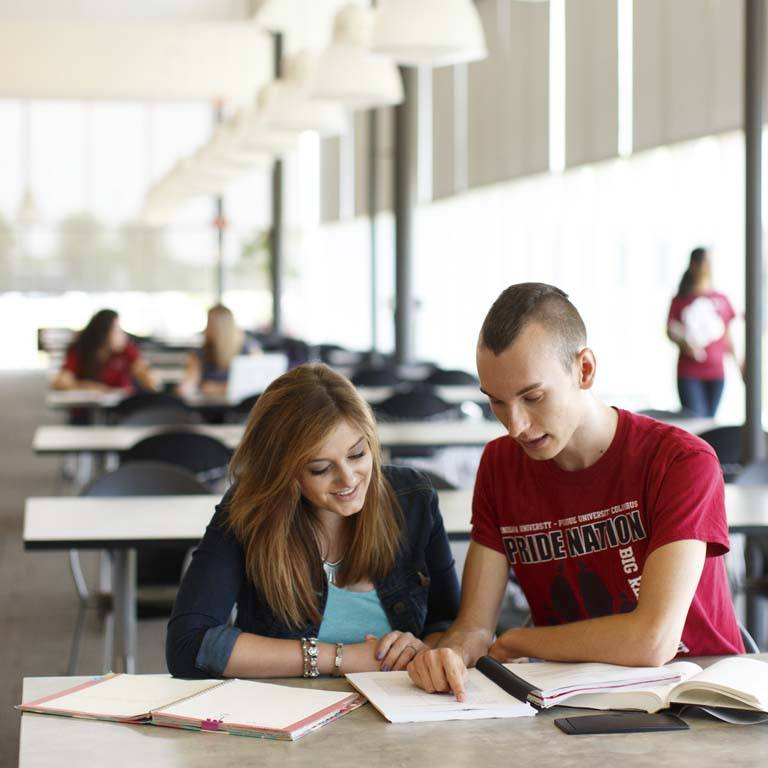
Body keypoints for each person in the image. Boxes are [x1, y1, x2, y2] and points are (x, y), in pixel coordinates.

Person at [407, 283, 743, 701]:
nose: (516, 426)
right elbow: (475, 627)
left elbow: (653, 640)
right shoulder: (500, 464)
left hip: (698, 700)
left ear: (584, 370)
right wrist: (451, 655)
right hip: (571, 699)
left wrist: (518, 641)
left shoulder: (680, 461)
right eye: (496, 402)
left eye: (533, 397)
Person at [166, 363, 460, 679]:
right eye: (320, 468)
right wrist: (340, 659)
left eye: (358, 454)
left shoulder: (413, 499)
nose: (348, 479)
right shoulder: (249, 509)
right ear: (283, 471)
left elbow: (451, 624)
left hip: (401, 711)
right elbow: (188, 646)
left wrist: (424, 652)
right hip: (285, 714)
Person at [667, 247, 737, 417]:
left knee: (710, 420)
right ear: (694, 265)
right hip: (689, 373)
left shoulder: (721, 299)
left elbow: (728, 337)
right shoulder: (680, 299)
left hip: (716, 373)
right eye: (706, 262)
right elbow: (670, 330)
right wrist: (685, 344)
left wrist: (739, 364)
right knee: (696, 420)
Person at [52, 308, 157, 393]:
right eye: (117, 330)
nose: (123, 335)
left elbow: (151, 385)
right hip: (85, 412)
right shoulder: (79, 350)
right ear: (103, 333)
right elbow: (61, 382)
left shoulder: (126, 350)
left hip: (121, 412)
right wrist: (90, 387)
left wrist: (142, 371)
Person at [178, 304, 254, 397]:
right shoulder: (199, 353)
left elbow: (255, 387)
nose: (205, 330)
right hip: (208, 407)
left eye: (209, 324)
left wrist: (216, 387)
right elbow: (186, 387)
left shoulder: (249, 351)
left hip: (241, 408)